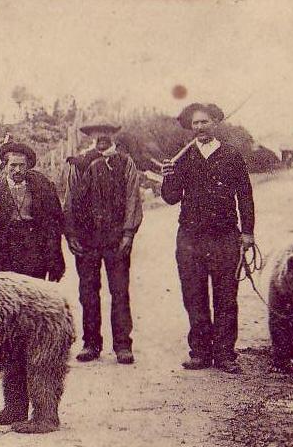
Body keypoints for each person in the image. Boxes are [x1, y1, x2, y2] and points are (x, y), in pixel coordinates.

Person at [161, 103, 255, 374]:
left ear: (215, 123)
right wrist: (168, 178)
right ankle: (200, 352)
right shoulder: (183, 158)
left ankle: (225, 354)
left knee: (226, 296)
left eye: (205, 122)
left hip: (225, 237)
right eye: (195, 124)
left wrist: (247, 232)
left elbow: (245, 196)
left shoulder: (231, 155)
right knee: (194, 295)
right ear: (191, 128)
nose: (200, 127)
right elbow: (170, 198)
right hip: (190, 239)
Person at [65, 120, 143, 365]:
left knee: (119, 291)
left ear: (113, 136)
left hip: (116, 239)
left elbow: (133, 197)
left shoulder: (125, 162)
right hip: (87, 240)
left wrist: (128, 233)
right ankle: (91, 343)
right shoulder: (79, 163)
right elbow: (69, 201)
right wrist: (72, 235)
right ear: (90, 137)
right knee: (88, 292)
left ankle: (122, 345)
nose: (101, 138)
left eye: (106, 134)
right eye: (96, 134)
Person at [0, 140, 64, 281]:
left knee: (32, 293)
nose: (17, 170)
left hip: (32, 250)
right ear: (5, 166)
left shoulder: (42, 186)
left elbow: (54, 223)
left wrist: (55, 260)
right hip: (0, 251)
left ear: (28, 166)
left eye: (21, 165)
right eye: (13, 165)